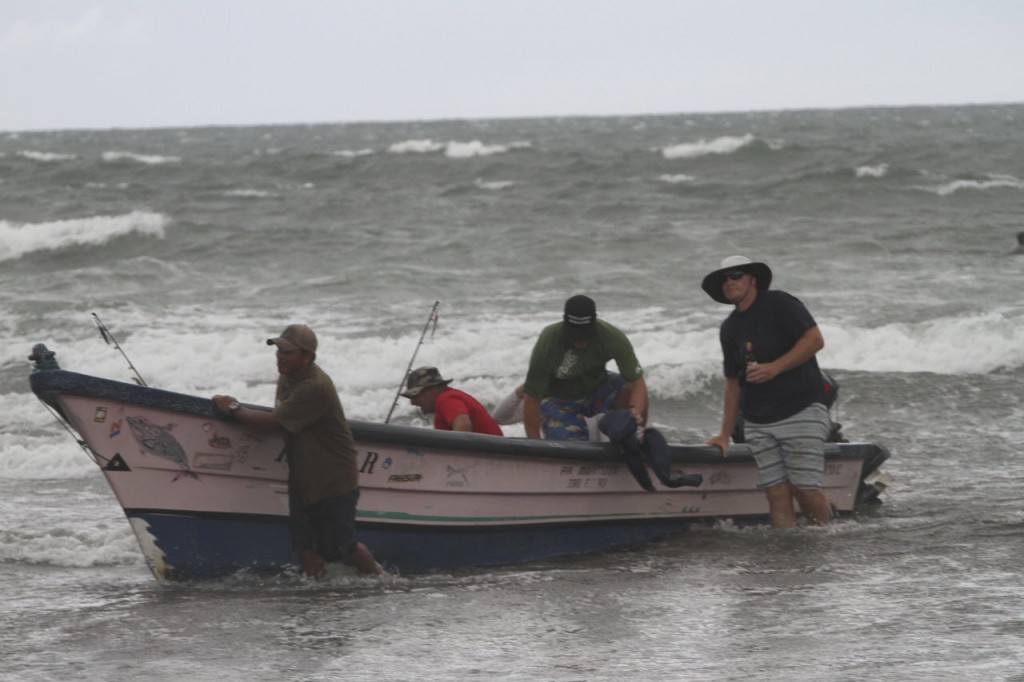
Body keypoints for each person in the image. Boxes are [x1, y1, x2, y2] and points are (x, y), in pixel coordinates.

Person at [212, 323, 383, 578]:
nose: (279, 357)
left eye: (287, 352)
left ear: (307, 356)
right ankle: (315, 596)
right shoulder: (288, 376)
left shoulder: (316, 386)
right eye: (278, 350)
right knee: (304, 547)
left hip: (333, 478)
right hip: (303, 475)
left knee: (341, 545)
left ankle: (379, 578)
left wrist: (234, 408)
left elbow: (274, 422)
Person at [702, 255, 831, 528]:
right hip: (758, 421)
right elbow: (732, 383)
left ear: (753, 279)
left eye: (735, 275)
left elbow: (815, 339)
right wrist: (724, 434)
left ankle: (824, 540)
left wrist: (775, 367)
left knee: (804, 488)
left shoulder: (779, 303)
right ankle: (785, 557)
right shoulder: (729, 328)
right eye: (724, 278)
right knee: (775, 492)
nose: (729, 282)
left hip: (801, 407)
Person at [522, 294, 647, 440]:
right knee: (568, 444)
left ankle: (637, 438)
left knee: (630, 390)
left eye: (586, 335)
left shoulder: (611, 337)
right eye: (575, 336)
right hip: (559, 398)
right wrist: (535, 446)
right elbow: (532, 399)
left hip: (598, 387)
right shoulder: (548, 341)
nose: (580, 341)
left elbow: (638, 383)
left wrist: (634, 416)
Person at [401, 366, 504, 436]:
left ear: (431, 389)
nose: (413, 402)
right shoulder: (448, 398)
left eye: (416, 396)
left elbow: (464, 425)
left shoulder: (446, 399)